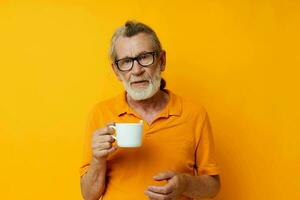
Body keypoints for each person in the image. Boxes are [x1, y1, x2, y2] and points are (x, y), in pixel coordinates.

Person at [79, 20, 221, 200]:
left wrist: (185, 184)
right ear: (116, 71)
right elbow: (88, 196)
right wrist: (98, 160)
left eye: (144, 57)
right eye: (126, 61)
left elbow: (213, 187)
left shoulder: (194, 114)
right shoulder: (101, 113)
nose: (136, 70)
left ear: (161, 61)